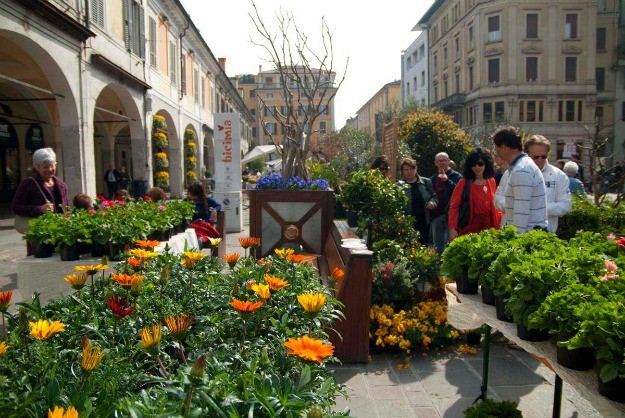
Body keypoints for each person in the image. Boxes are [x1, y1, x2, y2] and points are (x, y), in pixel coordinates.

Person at [13, 148, 69, 253]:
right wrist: (40, 209)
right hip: (39, 236)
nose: (50, 169)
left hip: (60, 234)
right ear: (37, 167)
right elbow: (16, 207)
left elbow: (66, 208)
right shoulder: (28, 184)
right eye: (45, 167)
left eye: (52, 166)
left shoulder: (61, 185)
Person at [493, 126, 547, 233]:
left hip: (528, 236)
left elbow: (521, 212)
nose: (495, 151)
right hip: (531, 233)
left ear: (503, 146)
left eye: (496, 147)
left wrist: (516, 242)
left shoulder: (522, 170)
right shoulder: (522, 166)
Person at [448, 148, 501, 240]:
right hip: (470, 227)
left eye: (480, 164)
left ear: (486, 164)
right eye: (473, 164)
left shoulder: (491, 181)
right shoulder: (463, 182)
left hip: (489, 227)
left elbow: (495, 206)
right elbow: (454, 206)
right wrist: (453, 228)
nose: (477, 167)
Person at [524, 135, 571, 233]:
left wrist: (539, 206)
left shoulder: (559, 176)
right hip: (519, 233)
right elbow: (499, 200)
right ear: (527, 155)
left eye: (543, 157)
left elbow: (565, 206)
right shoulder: (513, 173)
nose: (540, 160)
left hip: (547, 234)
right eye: (536, 157)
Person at [429, 152, 462, 254]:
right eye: (439, 161)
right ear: (435, 163)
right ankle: (438, 267)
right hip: (437, 216)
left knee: (453, 245)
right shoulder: (432, 179)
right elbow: (430, 195)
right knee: (438, 246)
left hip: (451, 216)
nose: (442, 163)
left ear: (448, 161)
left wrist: (447, 181)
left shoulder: (457, 176)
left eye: (444, 160)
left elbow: (460, 193)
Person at [400, 158, 437, 246]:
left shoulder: (426, 182)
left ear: (416, 169)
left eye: (411, 169)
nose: (409, 172)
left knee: (422, 248)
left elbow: (434, 197)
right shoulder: (399, 186)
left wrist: (432, 203)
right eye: (406, 170)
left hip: (424, 222)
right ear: (403, 171)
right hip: (407, 224)